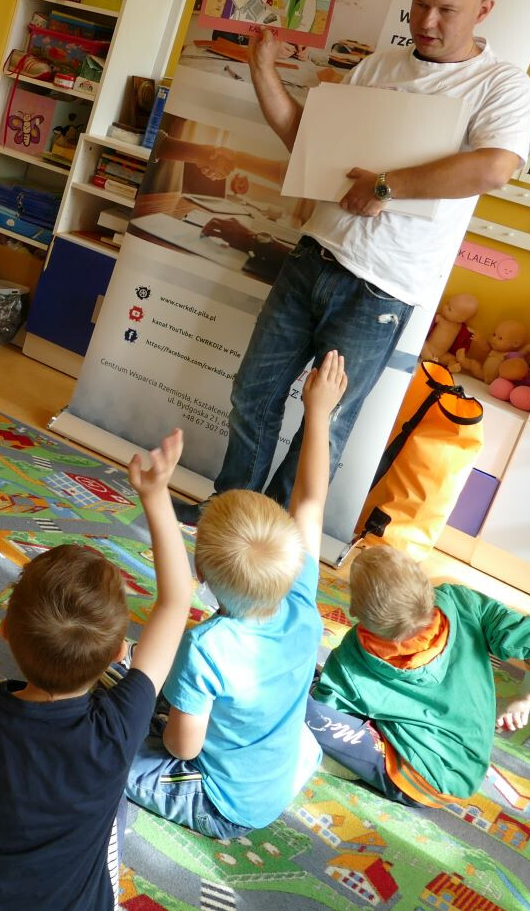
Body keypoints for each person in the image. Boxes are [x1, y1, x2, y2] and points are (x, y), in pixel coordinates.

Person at [217, 0, 530, 507]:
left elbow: (495, 168)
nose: (427, 22)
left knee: (324, 427)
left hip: (381, 288)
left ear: (483, 11)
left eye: (446, 10)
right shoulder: (377, 67)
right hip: (313, 256)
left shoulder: (502, 84)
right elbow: (308, 144)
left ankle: (282, 543)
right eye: (420, 5)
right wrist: (263, 71)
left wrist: (386, 186)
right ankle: (229, 517)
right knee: (253, 395)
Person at [0, 429, 195, 911]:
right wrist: (156, 496)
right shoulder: (121, 721)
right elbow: (176, 601)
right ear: (120, 653)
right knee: (109, 799)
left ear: (5, 630)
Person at [126, 351, 348, 838]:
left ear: (200, 572)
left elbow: (183, 748)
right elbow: (311, 501)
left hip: (221, 802)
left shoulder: (207, 647)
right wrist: (318, 413)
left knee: (106, 747)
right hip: (278, 776)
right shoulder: (301, 599)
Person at [307, 545, 530, 806]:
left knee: (304, 708)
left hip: (413, 779)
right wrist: (528, 697)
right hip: (467, 770)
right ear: (425, 584)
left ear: (354, 609)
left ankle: (350, 762)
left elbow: (326, 708)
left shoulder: (352, 657)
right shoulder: (463, 602)